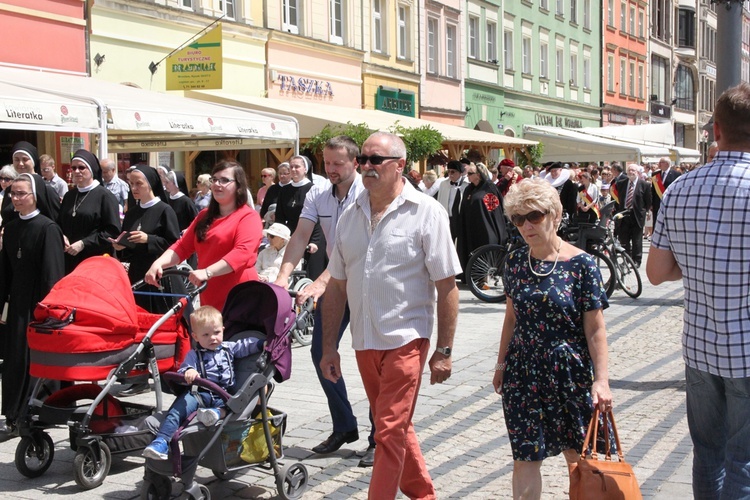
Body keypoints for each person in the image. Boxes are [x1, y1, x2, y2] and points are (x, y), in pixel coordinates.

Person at [320, 131, 460, 498]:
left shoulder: (426, 212)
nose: (366, 166)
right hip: (364, 341)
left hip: (406, 340)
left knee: (388, 428)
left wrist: (443, 350)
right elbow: (335, 286)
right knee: (394, 427)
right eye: (362, 159)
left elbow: (447, 286)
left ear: (400, 165)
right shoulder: (349, 214)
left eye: (374, 160)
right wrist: (328, 346)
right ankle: (423, 495)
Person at [647, 82, 750, 499]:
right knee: (743, 457)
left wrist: (694, 264)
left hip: (701, 347)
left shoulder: (679, 189)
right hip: (747, 350)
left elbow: (656, 273)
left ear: (716, 131)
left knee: (708, 453)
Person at [493, 178, 612, 499]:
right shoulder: (516, 262)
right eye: (518, 219)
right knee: (525, 457)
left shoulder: (582, 265)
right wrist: (501, 364)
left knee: (579, 457)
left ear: (556, 216)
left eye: (534, 216)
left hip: (569, 375)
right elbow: (511, 317)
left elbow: (595, 329)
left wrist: (601, 380)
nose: (526, 226)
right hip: (523, 374)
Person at [273, 136, 376, 466]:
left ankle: (379, 438)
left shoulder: (368, 194)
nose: (331, 169)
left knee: (373, 360)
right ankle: (344, 425)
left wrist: (320, 282)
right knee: (321, 352)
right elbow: (300, 235)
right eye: (327, 163)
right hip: (336, 286)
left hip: (366, 285)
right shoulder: (318, 193)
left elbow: (352, 249)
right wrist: (280, 278)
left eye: (338, 164)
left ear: (355, 163)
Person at [142, 305, 264, 460]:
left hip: (224, 394)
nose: (212, 338)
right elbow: (184, 369)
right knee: (177, 410)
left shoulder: (229, 348)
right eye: (206, 335)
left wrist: (261, 344)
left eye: (217, 332)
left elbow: (245, 345)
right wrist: (189, 372)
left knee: (233, 404)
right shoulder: (193, 354)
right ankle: (161, 441)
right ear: (196, 337)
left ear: (223, 330)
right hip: (199, 394)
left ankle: (215, 413)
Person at [145, 160, 263, 312]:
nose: (217, 184)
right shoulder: (204, 216)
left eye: (225, 180)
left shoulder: (248, 217)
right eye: (214, 180)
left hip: (240, 295)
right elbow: (182, 246)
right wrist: (159, 264)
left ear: (239, 186)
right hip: (209, 293)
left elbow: (242, 253)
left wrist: (207, 272)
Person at [0, 173, 65, 441]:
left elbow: (52, 274)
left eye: (21, 194)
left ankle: (37, 412)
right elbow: (4, 269)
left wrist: (47, 310)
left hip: (38, 305)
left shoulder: (48, 228)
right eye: (12, 194)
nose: (15, 198)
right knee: (14, 359)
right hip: (17, 304)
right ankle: (12, 413)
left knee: (36, 360)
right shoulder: (12, 227)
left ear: (35, 195)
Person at [114, 165, 180, 311]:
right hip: (137, 272)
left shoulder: (164, 210)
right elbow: (129, 248)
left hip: (160, 272)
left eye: (138, 183)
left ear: (150, 184)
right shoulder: (131, 213)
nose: (134, 188)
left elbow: (175, 244)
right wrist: (121, 246)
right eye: (131, 184)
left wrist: (148, 239)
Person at [58, 149, 121, 274]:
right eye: (74, 167)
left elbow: (112, 231)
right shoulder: (69, 196)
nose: (77, 171)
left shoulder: (105, 196)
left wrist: (83, 243)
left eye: (81, 167)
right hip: (70, 259)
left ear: (91, 169)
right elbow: (60, 223)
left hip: (95, 259)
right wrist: (62, 236)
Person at [274, 155, 325, 280]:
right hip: (291, 238)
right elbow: (279, 217)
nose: (293, 169)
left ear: (305, 169)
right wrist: (279, 236)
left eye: (297, 166)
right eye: (291, 167)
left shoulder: (314, 189)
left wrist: (315, 240)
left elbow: (319, 218)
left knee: (311, 274)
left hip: (313, 237)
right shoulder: (284, 190)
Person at [456, 162, 508, 274]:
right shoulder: (468, 189)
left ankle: (483, 277)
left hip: (485, 227)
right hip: (469, 227)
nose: (467, 176)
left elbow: (495, 210)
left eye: (470, 173)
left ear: (478, 175)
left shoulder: (489, 188)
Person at [1, 142, 60, 226]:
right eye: (16, 159)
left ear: (33, 161)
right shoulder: (9, 189)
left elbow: (55, 219)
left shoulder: (45, 189)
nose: (20, 163)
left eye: (25, 159)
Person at [613, 163, 651, 266]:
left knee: (637, 240)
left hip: (637, 215)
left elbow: (648, 202)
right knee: (624, 239)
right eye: (629, 170)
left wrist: (643, 211)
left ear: (638, 173)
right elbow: (618, 199)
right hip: (624, 215)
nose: (631, 172)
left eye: (633, 170)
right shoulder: (621, 183)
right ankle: (627, 259)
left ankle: (636, 261)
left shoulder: (645, 185)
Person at [435, 159, 468, 240]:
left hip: (460, 219)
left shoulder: (466, 185)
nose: (450, 174)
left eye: (453, 172)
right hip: (447, 217)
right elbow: (440, 201)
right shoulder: (444, 184)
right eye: (448, 172)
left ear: (460, 172)